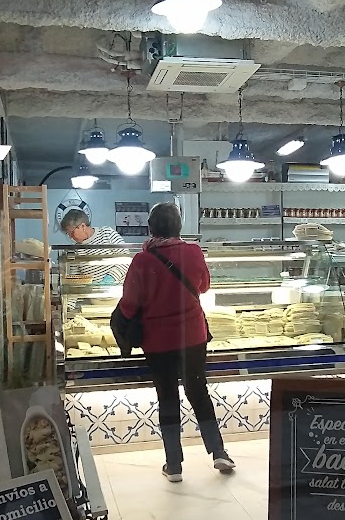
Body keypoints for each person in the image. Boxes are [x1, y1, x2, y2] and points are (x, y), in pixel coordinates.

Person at [118, 202, 235, 482]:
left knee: (168, 397)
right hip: (192, 336)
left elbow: (130, 304)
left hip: (158, 341)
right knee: (198, 392)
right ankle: (218, 452)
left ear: (150, 228)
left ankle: (174, 465)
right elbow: (203, 286)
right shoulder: (193, 251)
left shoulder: (142, 260)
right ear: (179, 227)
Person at [60, 209, 129, 284]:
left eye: (72, 233)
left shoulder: (107, 233)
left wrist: (110, 278)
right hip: (92, 290)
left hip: (116, 287)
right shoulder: (76, 250)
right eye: (68, 234)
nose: (70, 237)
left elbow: (126, 260)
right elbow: (76, 276)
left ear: (83, 226)